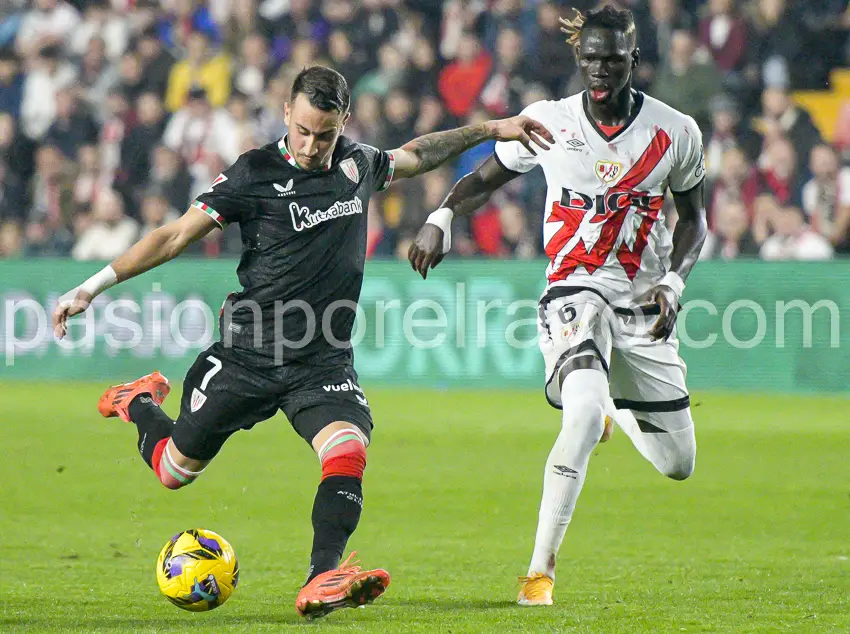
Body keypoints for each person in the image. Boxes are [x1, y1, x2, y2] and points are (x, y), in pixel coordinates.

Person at [52, 65, 552, 619]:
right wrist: (91, 286)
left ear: (343, 125)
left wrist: (490, 129)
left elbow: (416, 155)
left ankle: (323, 576)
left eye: (327, 134)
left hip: (321, 360)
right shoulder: (253, 174)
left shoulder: (357, 163)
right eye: (305, 132)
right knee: (172, 471)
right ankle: (138, 400)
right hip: (246, 357)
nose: (314, 146)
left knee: (347, 449)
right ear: (287, 114)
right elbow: (173, 235)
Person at [408, 5, 706, 607]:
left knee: (679, 464)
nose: (600, 69)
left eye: (613, 59)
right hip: (573, 288)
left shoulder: (676, 132)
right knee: (577, 414)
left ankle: (615, 414)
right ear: (578, 57)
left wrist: (674, 284)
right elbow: (486, 178)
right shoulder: (547, 122)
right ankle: (538, 574)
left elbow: (696, 220)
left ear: (633, 59)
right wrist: (440, 215)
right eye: (590, 57)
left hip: (643, 304)